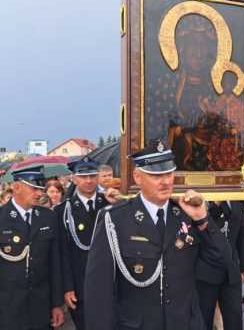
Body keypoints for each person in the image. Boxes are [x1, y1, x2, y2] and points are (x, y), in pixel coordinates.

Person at [84, 139, 227, 330]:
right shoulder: (115, 219)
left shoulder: (187, 214)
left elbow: (221, 263)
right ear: (138, 177)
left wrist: (202, 219)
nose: (166, 181)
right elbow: (98, 291)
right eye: (156, 175)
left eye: (169, 173)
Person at [0, 165, 64, 329]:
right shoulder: (2, 218)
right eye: (33, 188)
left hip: (40, 307)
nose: (39, 193)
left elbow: (55, 263)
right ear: (16, 187)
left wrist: (57, 304)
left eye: (40, 188)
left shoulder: (48, 217)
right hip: (7, 308)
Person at [55, 160, 109, 330]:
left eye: (92, 176)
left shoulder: (110, 205)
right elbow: (62, 253)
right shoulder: (63, 211)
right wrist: (68, 287)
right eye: (83, 177)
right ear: (74, 179)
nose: (88, 180)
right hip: (80, 285)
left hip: (108, 282)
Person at [196, 200, 244, 330]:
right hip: (206, 269)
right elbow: (201, 223)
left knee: (234, 318)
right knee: (204, 318)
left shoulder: (237, 200)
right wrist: (216, 203)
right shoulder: (202, 198)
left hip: (231, 270)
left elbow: (241, 232)